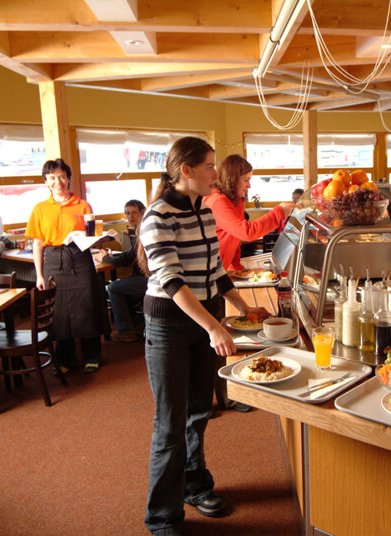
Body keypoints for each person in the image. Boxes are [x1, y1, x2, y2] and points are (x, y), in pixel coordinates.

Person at [138, 137, 269, 534]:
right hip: (170, 326)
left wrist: (243, 308)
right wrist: (214, 327)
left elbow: (214, 271)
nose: (216, 174)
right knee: (170, 422)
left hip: (205, 316)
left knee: (198, 411)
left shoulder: (204, 211)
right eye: (210, 166)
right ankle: (161, 517)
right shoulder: (157, 217)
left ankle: (195, 485)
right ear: (186, 171)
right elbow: (173, 282)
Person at [25, 158, 110, 373]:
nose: (58, 182)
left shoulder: (83, 204)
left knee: (86, 307)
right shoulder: (39, 209)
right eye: (52, 178)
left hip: (80, 258)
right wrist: (39, 275)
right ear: (46, 181)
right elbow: (37, 243)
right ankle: (65, 359)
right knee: (59, 311)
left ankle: (92, 355)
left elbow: (94, 237)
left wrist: (91, 236)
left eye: (62, 176)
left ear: (69, 178)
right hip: (54, 260)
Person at [203, 154, 295, 271]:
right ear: (232, 179)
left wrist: (236, 267)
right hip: (209, 272)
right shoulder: (217, 201)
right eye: (246, 180)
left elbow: (234, 238)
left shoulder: (236, 200)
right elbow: (246, 232)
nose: (249, 185)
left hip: (221, 271)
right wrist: (278, 213)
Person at [93, 199, 147, 342]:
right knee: (123, 284)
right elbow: (130, 255)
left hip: (151, 280)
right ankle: (136, 324)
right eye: (128, 213)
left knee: (113, 287)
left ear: (142, 213)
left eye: (134, 212)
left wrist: (104, 259)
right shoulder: (140, 229)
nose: (131, 216)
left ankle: (126, 331)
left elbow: (125, 259)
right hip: (147, 277)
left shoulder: (143, 230)